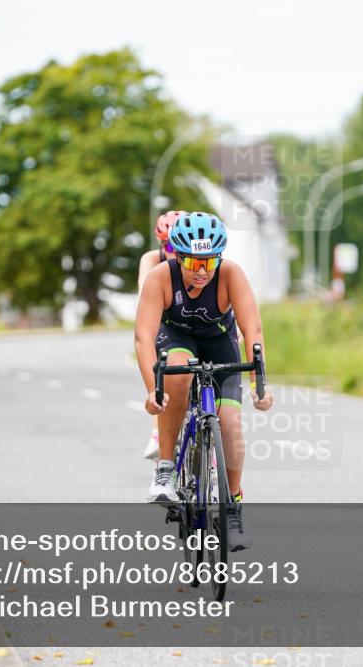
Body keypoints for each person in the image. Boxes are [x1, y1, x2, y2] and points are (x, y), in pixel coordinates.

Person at [134, 212, 273, 551]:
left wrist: (259, 384)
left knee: (229, 423)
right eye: (194, 262)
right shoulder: (160, 276)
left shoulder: (230, 274)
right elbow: (143, 336)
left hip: (219, 340)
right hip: (175, 336)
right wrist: (153, 390)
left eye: (209, 261)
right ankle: (166, 469)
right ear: (178, 256)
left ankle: (233, 509)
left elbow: (252, 331)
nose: (201, 271)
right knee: (177, 376)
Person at [137, 211, 186, 459]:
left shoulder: (194, 260)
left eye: (177, 244)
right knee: (161, 370)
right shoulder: (151, 260)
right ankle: (159, 431)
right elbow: (145, 297)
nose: (172, 251)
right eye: (167, 245)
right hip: (162, 321)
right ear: (159, 244)